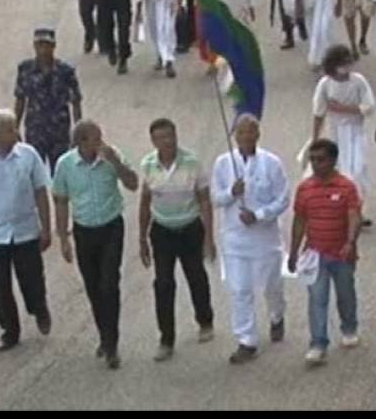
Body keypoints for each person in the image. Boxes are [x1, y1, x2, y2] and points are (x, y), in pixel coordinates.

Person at [52, 119, 140, 369]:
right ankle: (104, 334)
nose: (101, 143)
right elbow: (60, 200)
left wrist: (116, 163)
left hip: (111, 226)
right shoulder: (66, 164)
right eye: (95, 139)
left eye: (101, 137)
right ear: (81, 142)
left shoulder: (112, 157)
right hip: (84, 230)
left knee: (109, 284)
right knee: (93, 286)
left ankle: (112, 344)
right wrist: (63, 238)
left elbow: (133, 184)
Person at [0, 109, 53, 352]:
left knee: (32, 279)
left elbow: (40, 192)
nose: (17, 132)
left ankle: (39, 307)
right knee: (0, 286)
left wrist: (47, 228)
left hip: (25, 231)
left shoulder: (28, 156)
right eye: (11, 129)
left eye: (16, 127)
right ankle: (9, 331)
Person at [210, 114, 290, 365]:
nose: (245, 137)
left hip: (265, 238)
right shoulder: (224, 164)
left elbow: (283, 199)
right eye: (241, 133)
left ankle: (277, 315)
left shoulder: (272, 163)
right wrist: (231, 193)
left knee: (271, 286)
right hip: (235, 238)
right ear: (234, 135)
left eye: (250, 132)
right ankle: (247, 340)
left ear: (257, 134)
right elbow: (215, 197)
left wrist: (259, 215)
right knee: (240, 289)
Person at [138, 118, 217, 361]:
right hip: (162, 230)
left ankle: (205, 320)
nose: (167, 142)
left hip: (190, 227)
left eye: (170, 136)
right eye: (161, 138)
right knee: (163, 284)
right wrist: (142, 237)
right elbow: (145, 201)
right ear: (153, 141)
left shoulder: (192, 162)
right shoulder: (149, 164)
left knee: (196, 276)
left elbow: (204, 199)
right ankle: (166, 338)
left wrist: (209, 237)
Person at [287, 138, 363, 367]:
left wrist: (351, 241)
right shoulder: (305, 188)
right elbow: (299, 220)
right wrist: (293, 252)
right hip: (315, 254)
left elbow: (354, 216)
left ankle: (349, 327)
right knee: (317, 299)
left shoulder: (347, 187)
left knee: (345, 294)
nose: (316, 164)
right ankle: (318, 343)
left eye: (320, 159)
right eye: (312, 159)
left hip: (341, 254)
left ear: (332, 160)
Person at [310, 45, 376, 210]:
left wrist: (343, 109)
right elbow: (319, 112)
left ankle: (357, 207)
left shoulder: (358, 81)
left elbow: (369, 107)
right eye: (342, 63)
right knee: (336, 168)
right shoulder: (325, 84)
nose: (346, 67)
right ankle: (337, 205)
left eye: (348, 63)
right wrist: (315, 138)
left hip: (355, 131)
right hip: (335, 132)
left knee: (358, 169)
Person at [15, 28, 83, 168]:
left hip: (59, 130)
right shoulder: (25, 69)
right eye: (40, 45)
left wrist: (79, 130)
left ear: (54, 46)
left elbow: (75, 101)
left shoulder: (65, 71)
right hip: (35, 129)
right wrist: (14, 127)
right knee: (34, 171)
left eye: (47, 45)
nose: (43, 49)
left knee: (60, 170)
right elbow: (20, 98)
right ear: (34, 46)